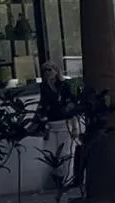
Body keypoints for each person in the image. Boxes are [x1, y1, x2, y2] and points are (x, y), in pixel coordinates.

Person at [38, 61, 76, 190]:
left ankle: (65, 180)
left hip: (64, 122)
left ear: (56, 71)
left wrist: (74, 126)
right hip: (51, 123)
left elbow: (71, 106)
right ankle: (53, 181)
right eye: (45, 71)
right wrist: (43, 124)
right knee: (50, 153)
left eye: (50, 70)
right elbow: (42, 106)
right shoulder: (44, 87)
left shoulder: (64, 85)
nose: (48, 73)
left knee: (64, 152)